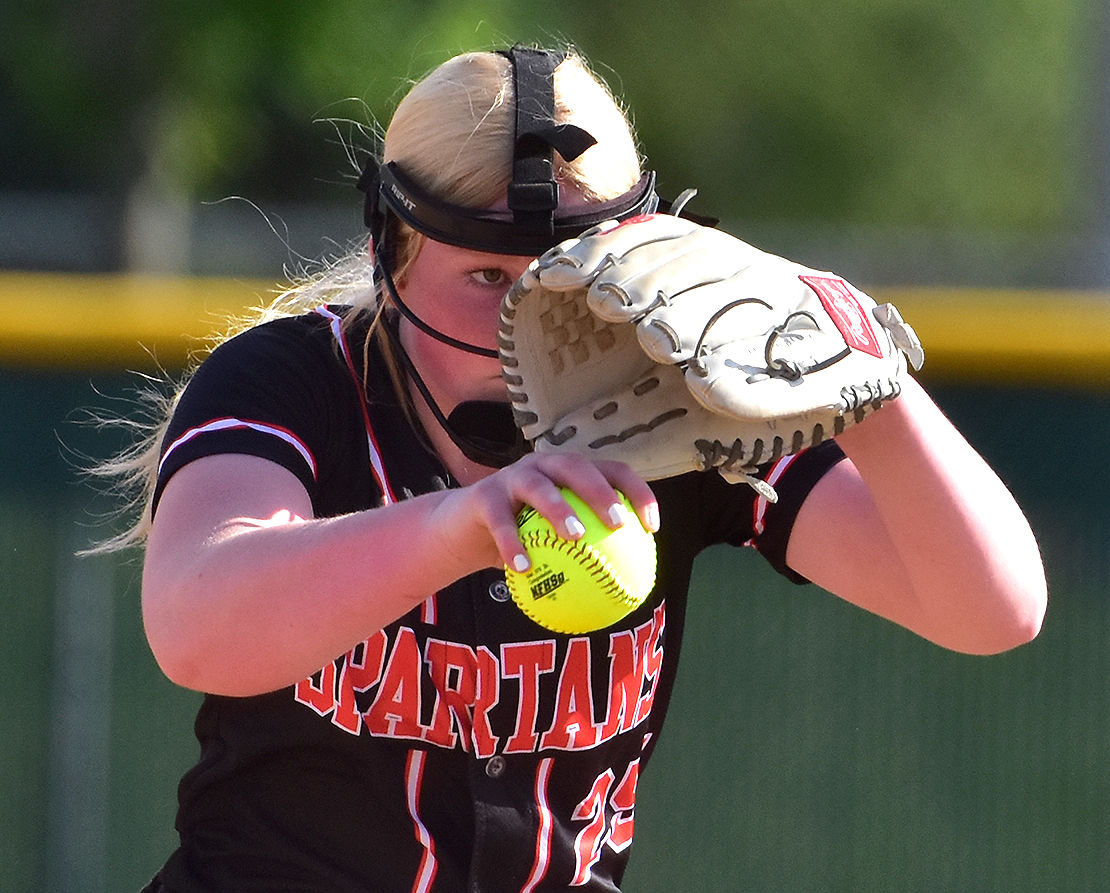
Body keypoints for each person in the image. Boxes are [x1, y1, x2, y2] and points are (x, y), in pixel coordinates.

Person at [101, 45, 1046, 892]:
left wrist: (867, 384)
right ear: (393, 249)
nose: (529, 323)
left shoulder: (677, 409)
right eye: (488, 279)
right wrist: (466, 524)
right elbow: (195, 625)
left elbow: (991, 607)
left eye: (573, 276)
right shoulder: (294, 379)